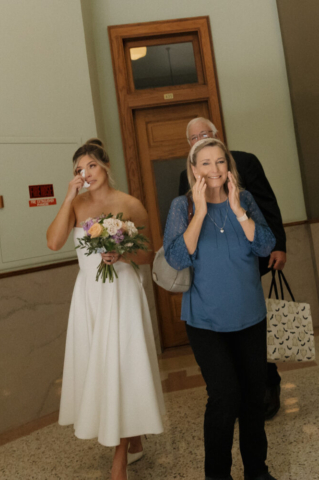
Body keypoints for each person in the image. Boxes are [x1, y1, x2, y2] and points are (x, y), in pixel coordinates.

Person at [47, 139, 165, 480]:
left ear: (106, 166)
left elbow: (148, 254)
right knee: (99, 367)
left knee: (121, 364)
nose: (86, 174)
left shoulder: (129, 204)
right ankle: (134, 435)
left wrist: (122, 254)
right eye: (79, 170)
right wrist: (69, 196)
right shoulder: (77, 204)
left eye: (91, 166)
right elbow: (54, 242)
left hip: (122, 292)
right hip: (89, 295)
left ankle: (119, 456)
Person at [164, 137, 277, 480]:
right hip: (206, 321)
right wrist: (198, 213)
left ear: (229, 166)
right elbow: (177, 257)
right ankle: (217, 475)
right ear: (194, 170)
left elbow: (266, 245)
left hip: (250, 316)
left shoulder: (245, 200)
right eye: (206, 163)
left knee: (253, 398)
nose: (214, 169)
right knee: (225, 396)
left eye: (220, 162)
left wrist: (240, 211)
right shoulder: (180, 207)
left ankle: (256, 470)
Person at [179, 117, 286, 420]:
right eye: (194, 137)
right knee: (224, 372)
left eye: (204, 134)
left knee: (248, 326)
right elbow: (182, 233)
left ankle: (266, 384)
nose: (213, 168)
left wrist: (280, 244)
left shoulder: (245, 163)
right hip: (209, 273)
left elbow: (267, 204)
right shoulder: (184, 180)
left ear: (217, 137)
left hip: (249, 254)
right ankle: (230, 391)